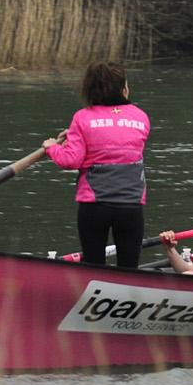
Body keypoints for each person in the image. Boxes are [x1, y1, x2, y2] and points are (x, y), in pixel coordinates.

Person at [44, 61, 150, 268]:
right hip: (131, 206)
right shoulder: (141, 117)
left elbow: (70, 160)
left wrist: (51, 147)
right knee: (129, 267)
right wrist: (76, 136)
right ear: (124, 88)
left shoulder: (82, 118)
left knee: (94, 265)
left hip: (94, 206)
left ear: (89, 89)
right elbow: (118, 142)